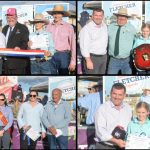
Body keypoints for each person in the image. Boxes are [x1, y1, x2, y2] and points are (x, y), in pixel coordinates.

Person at [94, 83, 132, 149]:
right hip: (105, 147)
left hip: (123, 146)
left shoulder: (128, 108)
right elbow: (100, 131)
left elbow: (131, 126)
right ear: (110, 93)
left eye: (120, 94)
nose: (117, 97)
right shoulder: (102, 108)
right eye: (114, 94)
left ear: (124, 95)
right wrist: (116, 141)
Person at [46, 5, 76, 74]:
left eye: (59, 13)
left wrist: (73, 61)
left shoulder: (69, 27)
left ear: (62, 14)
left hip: (63, 55)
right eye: (55, 13)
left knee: (63, 75)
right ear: (52, 14)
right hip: (50, 55)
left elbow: (73, 45)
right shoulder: (48, 27)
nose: (56, 15)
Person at [107, 8, 136, 74]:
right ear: (117, 17)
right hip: (113, 61)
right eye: (119, 17)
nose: (121, 19)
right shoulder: (110, 27)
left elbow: (137, 40)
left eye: (123, 18)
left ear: (126, 19)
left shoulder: (132, 28)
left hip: (127, 61)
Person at [79, 8, 108, 74]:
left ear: (103, 16)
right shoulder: (87, 29)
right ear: (92, 16)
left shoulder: (104, 26)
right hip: (92, 58)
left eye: (100, 15)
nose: (98, 17)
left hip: (103, 57)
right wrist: (88, 60)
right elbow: (84, 46)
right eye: (96, 15)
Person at [2, 8, 29, 74]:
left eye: (12, 17)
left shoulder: (23, 27)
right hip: (6, 63)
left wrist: (20, 48)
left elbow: (25, 42)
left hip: (18, 63)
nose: (10, 19)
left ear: (16, 17)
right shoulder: (4, 28)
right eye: (8, 17)